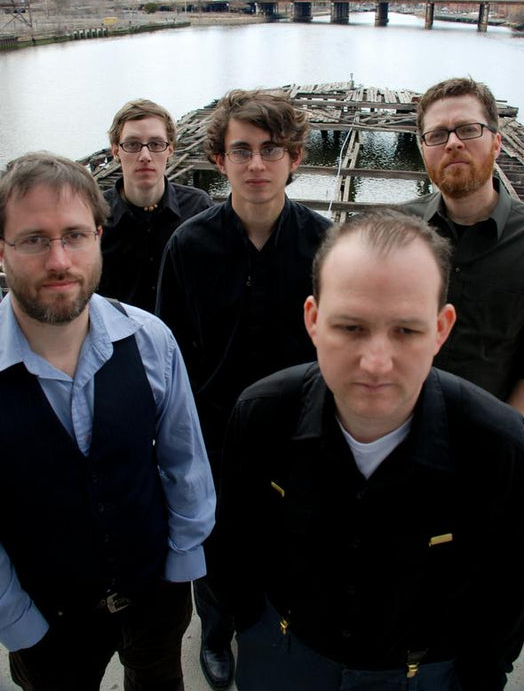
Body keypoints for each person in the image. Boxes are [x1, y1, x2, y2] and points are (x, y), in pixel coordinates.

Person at [217, 209, 524, 691]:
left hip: (426, 674)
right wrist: (249, 625)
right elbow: (234, 539)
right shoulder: (262, 415)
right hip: (284, 656)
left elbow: (510, 589)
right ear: (313, 320)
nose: (376, 363)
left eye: (406, 330)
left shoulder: (497, 446)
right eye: (351, 327)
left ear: (442, 329)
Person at [0, 152, 216, 691]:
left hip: (155, 593)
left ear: (99, 236)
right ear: (1, 249)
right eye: (34, 239)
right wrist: (17, 621)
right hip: (44, 617)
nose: (59, 260)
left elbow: (185, 461)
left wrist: (181, 567)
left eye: (75, 235)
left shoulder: (150, 340)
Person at [156, 88, 331, 689]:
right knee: (214, 539)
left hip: (297, 428)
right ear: (220, 159)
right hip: (212, 430)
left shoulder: (325, 245)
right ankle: (216, 628)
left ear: (295, 158)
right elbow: (171, 355)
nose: (257, 163)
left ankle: (273, 624)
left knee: (290, 534)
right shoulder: (188, 245)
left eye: (271, 149)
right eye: (242, 150)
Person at [404, 77, 524, 414]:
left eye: (468, 129)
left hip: (486, 429)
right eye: (437, 135)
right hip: (398, 424)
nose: (453, 143)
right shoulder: (396, 230)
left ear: (497, 143)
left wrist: (503, 427)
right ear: (423, 149)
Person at [98, 98, 212, 312]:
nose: (145, 156)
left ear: (170, 149)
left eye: (156, 144)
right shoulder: (94, 214)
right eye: (132, 144)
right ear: (115, 151)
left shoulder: (198, 207)